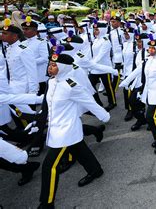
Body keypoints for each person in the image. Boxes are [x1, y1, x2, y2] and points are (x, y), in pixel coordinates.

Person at [37, 49, 110, 208]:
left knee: (50, 166)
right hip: (56, 128)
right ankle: (95, 170)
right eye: (50, 64)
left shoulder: (71, 85)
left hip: (66, 131)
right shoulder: (51, 82)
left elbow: (88, 101)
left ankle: (46, 203)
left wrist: (103, 115)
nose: (50, 68)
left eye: (54, 65)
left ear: (63, 67)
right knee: (79, 150)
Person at [119, 36, 156, 154]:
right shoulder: (147, 60)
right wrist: (125, 82)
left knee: (151, 117)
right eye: (149, 48)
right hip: (149, 93)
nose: (150, 50)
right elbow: (136, 71)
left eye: (153, 48)